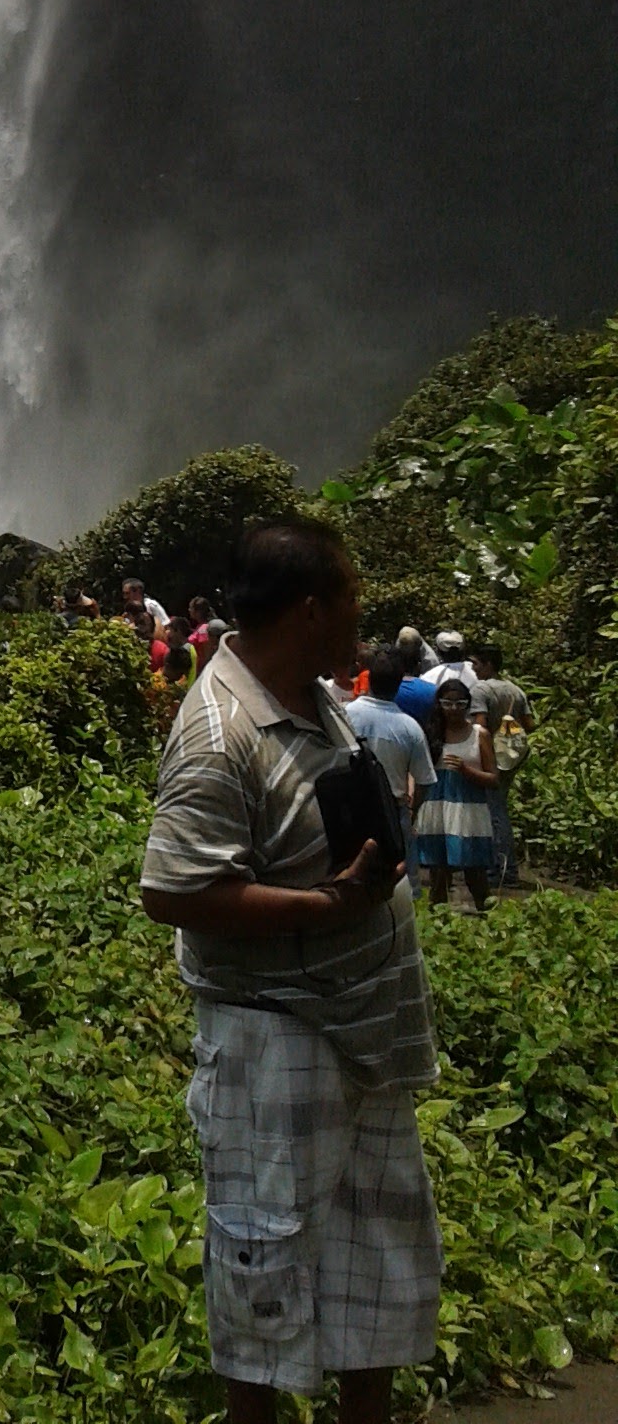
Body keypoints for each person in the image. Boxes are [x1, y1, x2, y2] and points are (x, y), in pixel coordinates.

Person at [140, 519, 440, 1424]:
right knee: (262, 1267)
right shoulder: (217, 730)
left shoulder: (318, 701)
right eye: (351, 598)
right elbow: (173, 889)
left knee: (376, 1267)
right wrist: (325, 907)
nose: (362, 617)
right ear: (311, 609)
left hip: (361, 1041)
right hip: (276, 1048)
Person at [347, 649, 437, 889]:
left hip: (348, 808)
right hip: (393, 812)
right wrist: (412, 811)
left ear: (368, 678)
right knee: (400, 886)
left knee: (349, 880)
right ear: (398, 685)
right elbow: (425, 780)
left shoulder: (344, 715)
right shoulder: (410, 728)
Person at [415, 676, 497, 909]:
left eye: (460, 704)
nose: (453, 709)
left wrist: (466, 770)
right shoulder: (430, 734)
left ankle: (489, 918)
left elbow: (493, 778)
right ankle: (439, 924)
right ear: (439, 704)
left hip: (469, 810)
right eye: (447, 703)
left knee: (475, 872)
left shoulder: (479, 734)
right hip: (436, 808)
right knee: (438, 874)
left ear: (468, 705)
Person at [467, 643, 533, 889]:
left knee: (495, 813)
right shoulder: (516, 690)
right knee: (498, 807)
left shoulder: (480, 690)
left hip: (489, 756)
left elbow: (480, 725)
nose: (473, 668)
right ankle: (500, 866)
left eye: (477, 663)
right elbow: (529, 724)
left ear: (488, 665)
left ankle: (504, 869)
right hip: (510, 757)